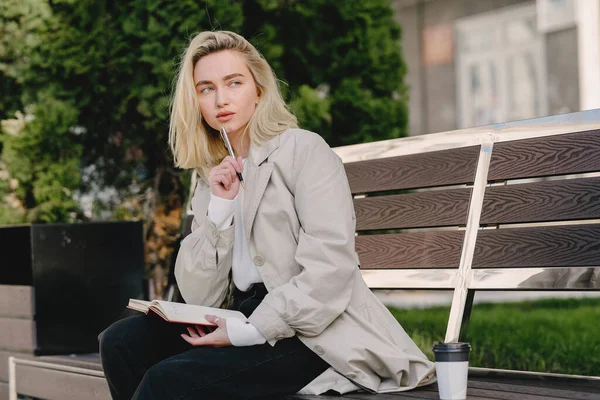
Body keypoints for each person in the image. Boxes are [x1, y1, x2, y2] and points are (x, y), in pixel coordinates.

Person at [99, 30, 435, 399]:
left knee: (167, 382)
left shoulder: (303, 151)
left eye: (234, 82)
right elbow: (199, 295)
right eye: (206, 88)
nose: (221, 99)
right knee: (120, 342)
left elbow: (330, 269)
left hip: (311, 329)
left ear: (258, 89)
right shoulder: (210, 176)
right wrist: (221, 210)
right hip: (240, 314)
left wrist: (249, 330)